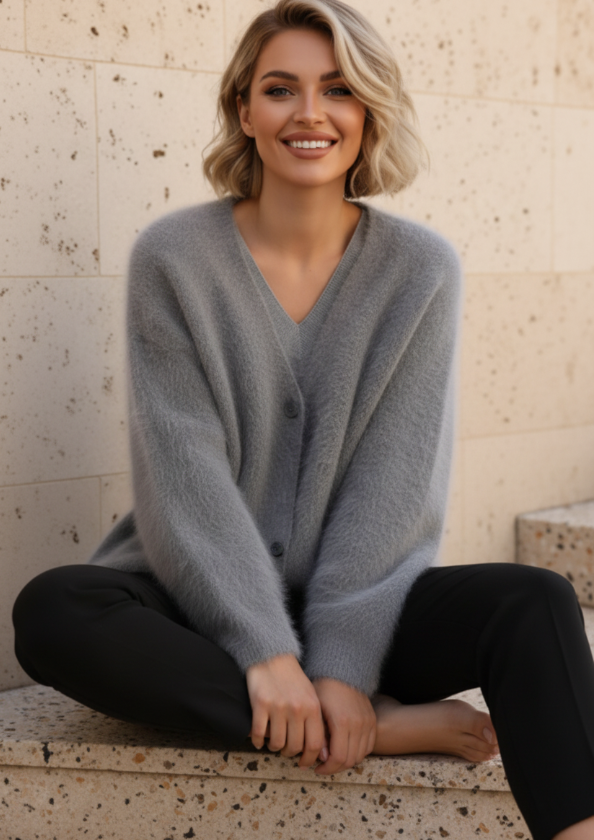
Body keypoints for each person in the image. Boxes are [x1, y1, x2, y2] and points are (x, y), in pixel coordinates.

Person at [11, 1, 594, 838]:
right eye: (281, 89)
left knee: (535, 599)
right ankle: (367, 731)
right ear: (244, 110)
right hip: (198, 606)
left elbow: (394, 485)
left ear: (369, 112)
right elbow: (183, 473)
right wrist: (266, 652)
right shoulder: (174, 258)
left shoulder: (420, 269)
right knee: (55, 610)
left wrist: (344, 667)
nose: (310, 114)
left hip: (360, 608)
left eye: (340, 90)